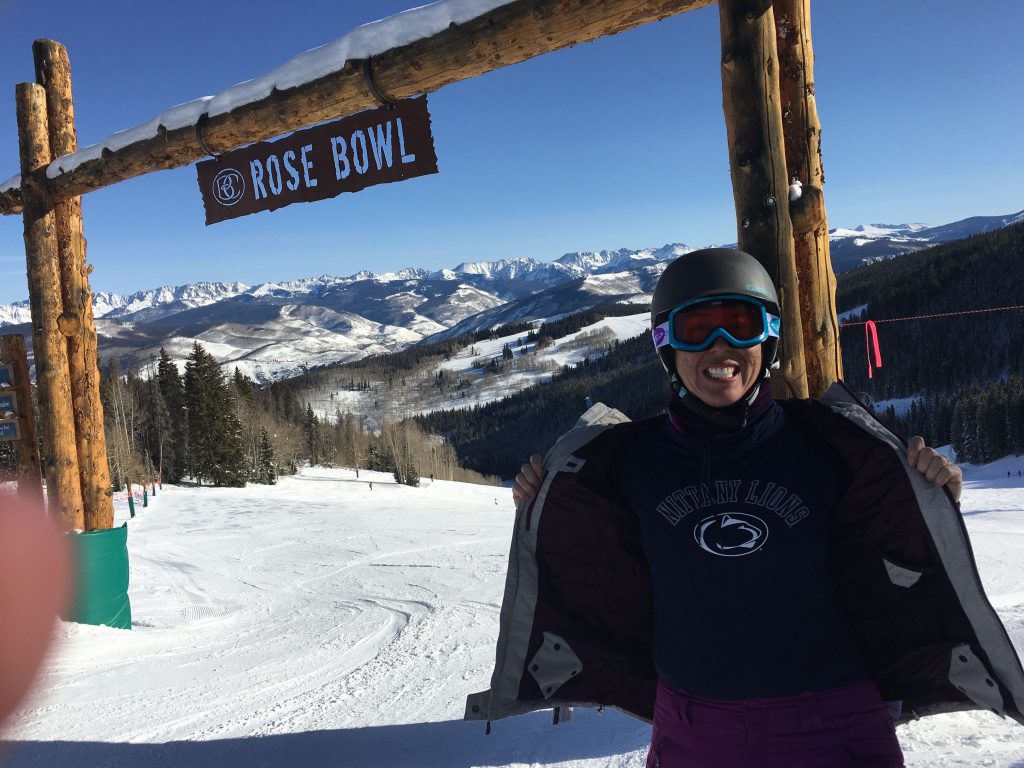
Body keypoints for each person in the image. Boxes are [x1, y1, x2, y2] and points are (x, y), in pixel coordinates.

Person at [466, 249, 1024, 766]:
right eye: (695, 329)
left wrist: (928, 494)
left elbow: (896, 554)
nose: (719, 348)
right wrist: (543, 499)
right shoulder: (624, 465)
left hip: (835, 723)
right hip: (691, 729)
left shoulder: (832, 449)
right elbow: (592, 562)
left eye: (740, 325)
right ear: (667, 346)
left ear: (769, 338)